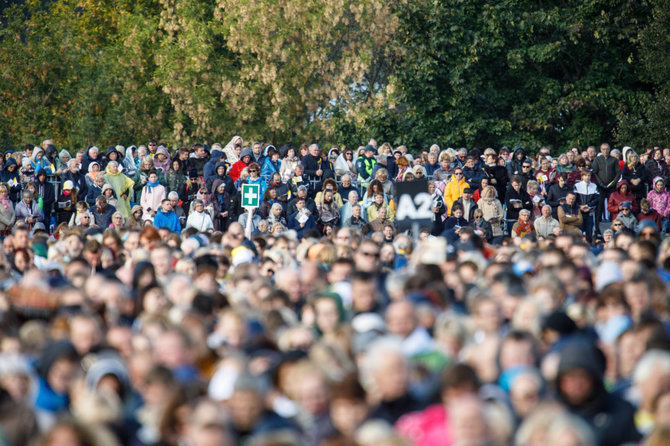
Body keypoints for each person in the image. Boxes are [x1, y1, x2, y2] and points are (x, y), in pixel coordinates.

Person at [591, 143, 620, 234]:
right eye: (603, 149)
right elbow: (595, 173)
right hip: (601, 187)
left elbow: (618, 173)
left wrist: (613, 183)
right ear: (600, 150)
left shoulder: (614, 160)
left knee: (612, 207)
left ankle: (614, 227)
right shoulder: (597, 159)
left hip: (611, 187)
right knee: (599, 208)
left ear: (609, 150)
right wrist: (600, 183)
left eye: (607, 149)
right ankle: (597, 229)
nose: (605, 151)